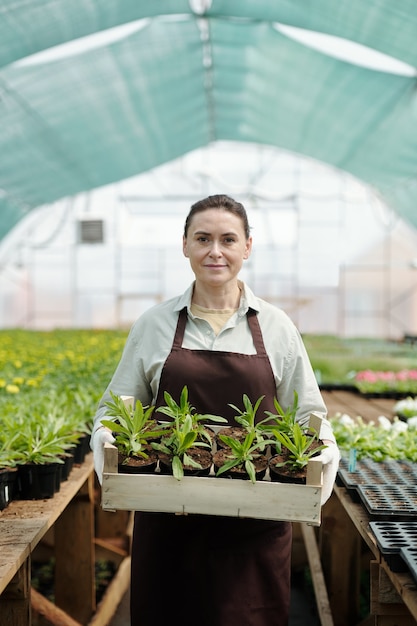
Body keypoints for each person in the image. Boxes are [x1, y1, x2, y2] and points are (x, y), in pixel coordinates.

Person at [91, 193, 340, 626]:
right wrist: (109, 441)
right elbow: (116, 410)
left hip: (255, 525)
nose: (215, 251)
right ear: (185, 245)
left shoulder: (277, 326)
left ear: (247, 246)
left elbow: (307, 416)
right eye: (202, 238)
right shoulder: (155, 324)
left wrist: (322, 454)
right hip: (169, 521)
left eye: (228, 239)